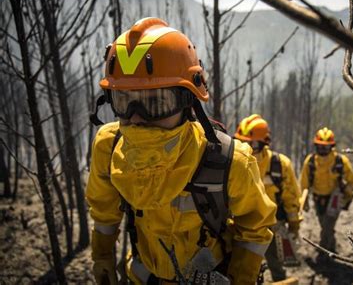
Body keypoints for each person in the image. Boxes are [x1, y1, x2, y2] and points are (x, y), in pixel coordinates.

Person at [86, 17, 276, 284]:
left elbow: (255, 228)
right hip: (145, 275)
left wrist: (241, 278)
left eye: (155, 103)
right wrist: (102, 256)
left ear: (189, 100)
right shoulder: (109, 147)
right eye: (125, 102)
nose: (137, 118)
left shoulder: (228, 160)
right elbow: (105, 211)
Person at [234, 114, 301, 283]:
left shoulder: (280, 165)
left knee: (276, 264)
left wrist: (294, 225)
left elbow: (292, 197)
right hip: (240, 227)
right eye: (242, 142)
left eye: (252, 144)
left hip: (273, 227)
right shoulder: (232, 163)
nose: (247, 148)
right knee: (239, 269)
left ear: (264, 143)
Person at [300, 127, 353, 262]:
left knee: (327, 226)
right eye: (320, 147)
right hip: (318, 198)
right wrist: (304, 201)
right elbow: (304, 184)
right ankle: (331, 246)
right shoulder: (310, 161)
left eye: (326, 147)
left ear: (332, 146)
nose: (323, 150)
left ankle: (324, 252)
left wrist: (346, 194)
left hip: (335, 198)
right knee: (325, 225)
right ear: (316, 146)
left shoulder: (340, 161)